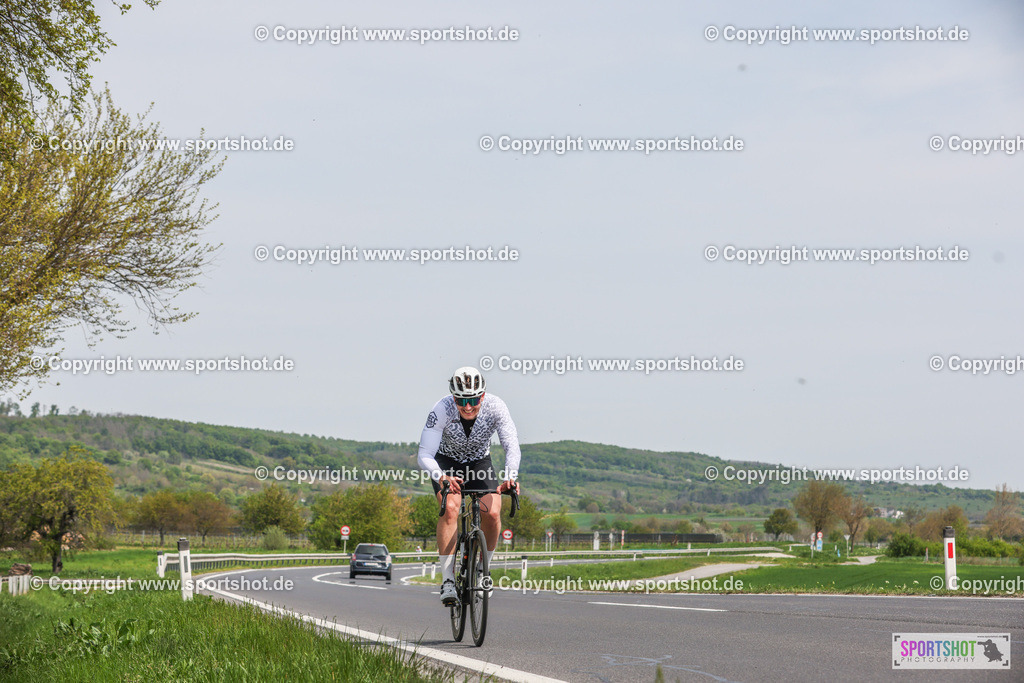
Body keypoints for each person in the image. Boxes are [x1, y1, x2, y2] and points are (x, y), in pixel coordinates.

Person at [417, 366, 520, 606]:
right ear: (453, 397)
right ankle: (448, 580)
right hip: (445, 463)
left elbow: (511, 445)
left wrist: (510, 476)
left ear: (482, 396)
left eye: (473, 399)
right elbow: (424, 454)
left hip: (478, 463)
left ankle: (484, 571)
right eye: (461, 400)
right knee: (451, 508)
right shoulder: (441, 409)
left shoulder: (496, 407)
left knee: (492, 512)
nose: (467, 406)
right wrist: (441, 477)